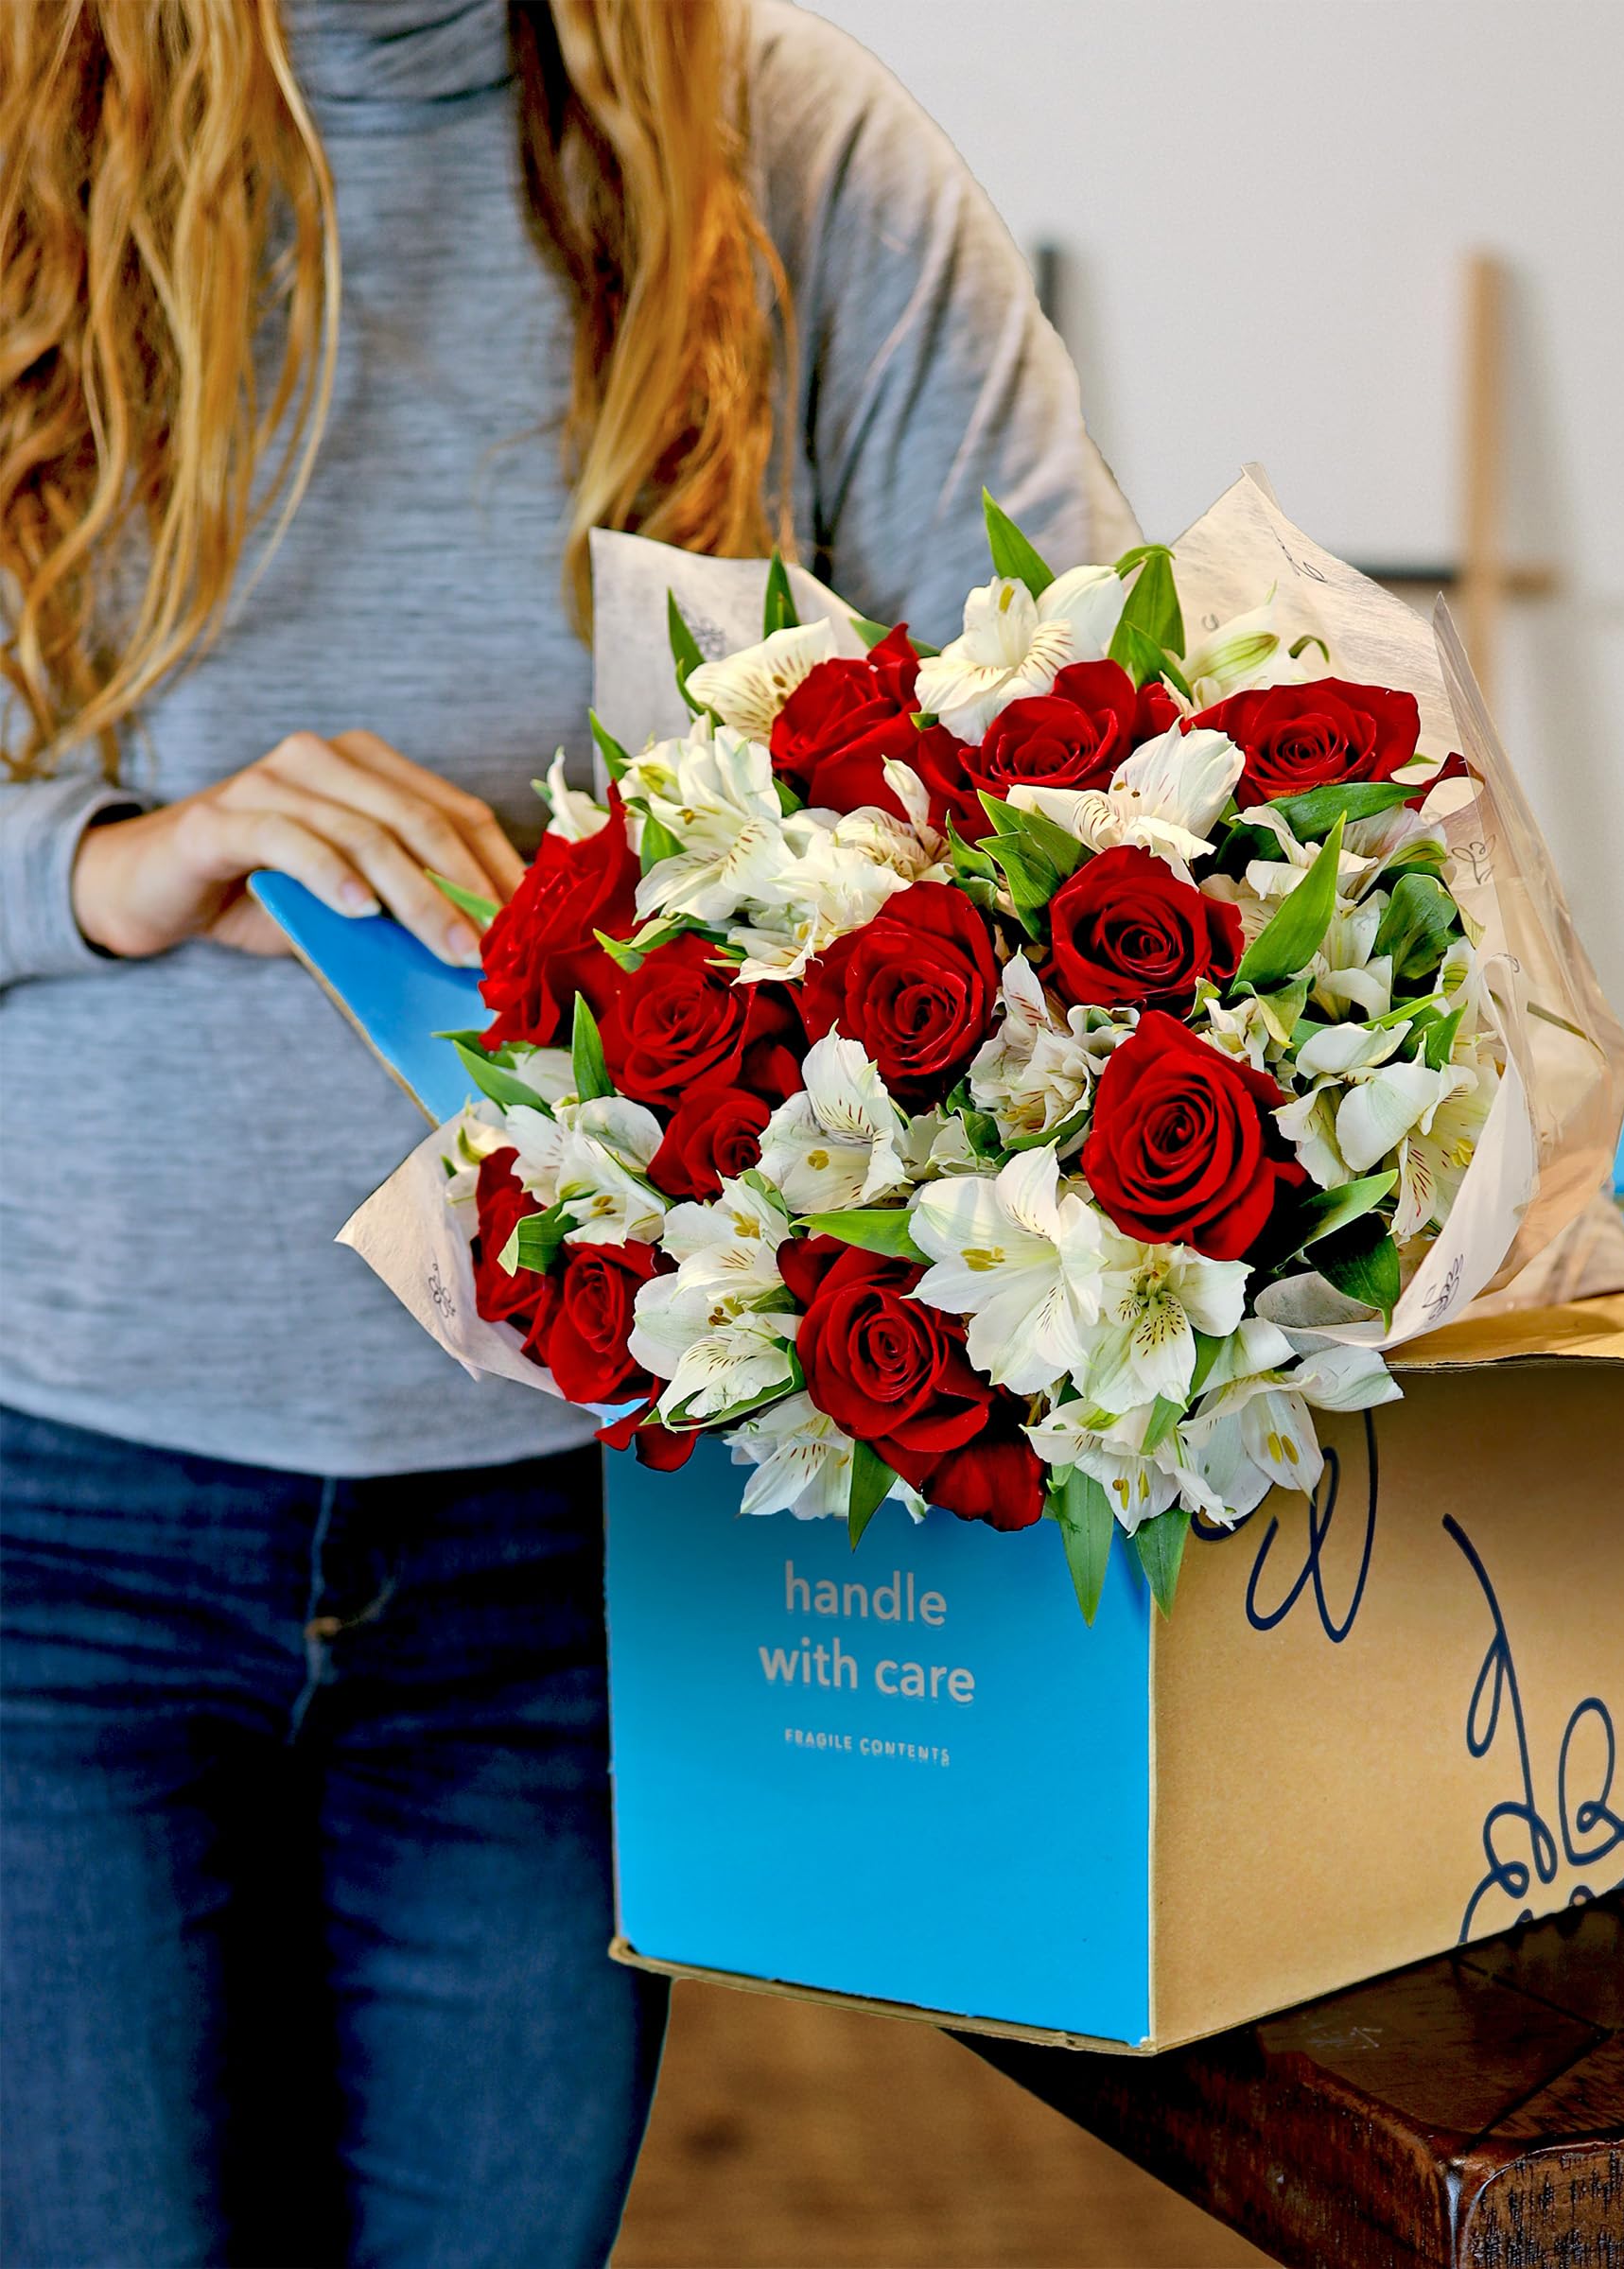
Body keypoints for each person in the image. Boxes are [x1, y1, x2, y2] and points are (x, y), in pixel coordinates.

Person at [0, 2, 1136, 2262]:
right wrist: (110, 864)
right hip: (58, 1537)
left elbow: (1088, 763)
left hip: (577, 1564)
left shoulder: (793, 159)